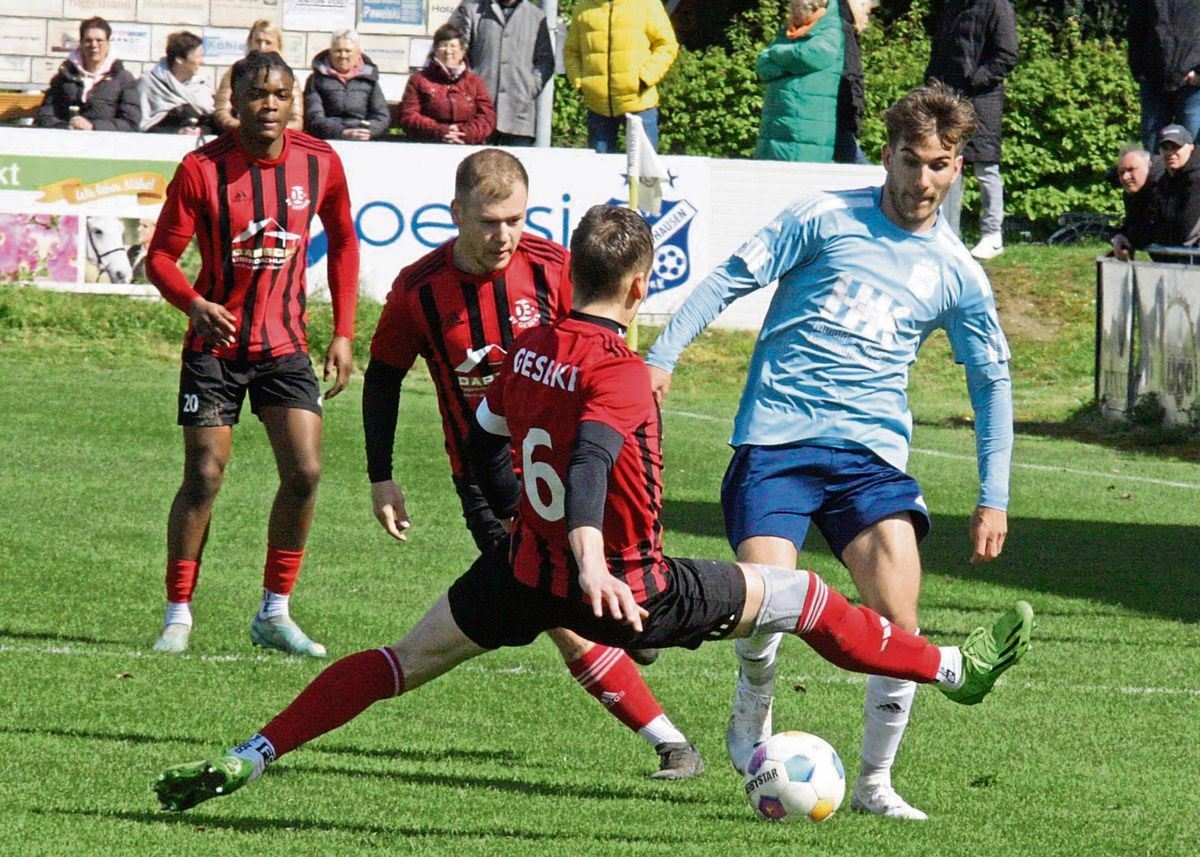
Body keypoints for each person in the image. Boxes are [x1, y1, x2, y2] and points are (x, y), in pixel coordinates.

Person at [152, 204, 1033, 813]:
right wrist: (590, 554)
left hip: (522, 570)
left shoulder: (531, 344)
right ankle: (953, 668)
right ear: (643, 283)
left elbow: (493, 427)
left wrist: (526, 535)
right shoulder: (620, 371)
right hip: (625, 582)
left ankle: (251, 754)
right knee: (800, 597)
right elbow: (593, 460)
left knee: (395, 660)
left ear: (570, 268)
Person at [644, 84, 1016, 821]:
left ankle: (876, 783)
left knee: (898, 621)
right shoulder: (822, 216)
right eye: (910, 161)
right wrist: (663, 353)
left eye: (940, 165)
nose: (922, 181)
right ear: (887, 154)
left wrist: (993, 492)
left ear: (959, 167)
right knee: (767, 606)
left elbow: (991, 382)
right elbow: (727, 278)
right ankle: (755, 693)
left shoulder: (956, 271)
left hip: (868, 458)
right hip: (776, 442)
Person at [363, 148, 701, 779]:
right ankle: (668, 739)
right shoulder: (419, 289)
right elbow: (382, 378)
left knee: (572, 596)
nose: (504, 235)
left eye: (516, 219)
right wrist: (381, 474)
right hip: (485, 478)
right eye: (489, 221)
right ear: (457, 212)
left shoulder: (555, 269)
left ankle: (633, 643)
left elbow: (600, 347)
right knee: (553, 606)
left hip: (574, 469)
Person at [145, 50, 359, 656]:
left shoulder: (321, 163)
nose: (269, 104)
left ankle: (274, 612)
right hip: (214, 348)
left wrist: (344, 330)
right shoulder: (201, 168)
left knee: (306, 471)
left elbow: (343, 240)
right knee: (205, 474)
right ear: (233, 100)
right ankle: (179, 613)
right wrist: (193, 304)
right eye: (258, 94)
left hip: (285, 346)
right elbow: (159, 258)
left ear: (294, 101)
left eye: (281, 94)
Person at [925, 0, 1018, 260]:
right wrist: (932, 81)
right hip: (949, 95)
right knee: (949, 162)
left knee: (985, 166)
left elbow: (1007, 54)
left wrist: (977, 77)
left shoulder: (997, 6)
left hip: (982, 97)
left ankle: (992, 234)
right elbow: (941, 48)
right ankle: (947, 230)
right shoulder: (952, 6)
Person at [564, 0, 678, 153]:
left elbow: (667, 45)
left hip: (640, 103)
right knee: (601, 172)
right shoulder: (583, 8)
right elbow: (571, 52)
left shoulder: (647, 4)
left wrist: (644, 79)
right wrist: (581, 84)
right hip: (598, 107)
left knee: (645, 171)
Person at [449, 0, 554, 146]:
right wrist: (468, 88)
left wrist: (529, 87)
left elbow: (545, 61)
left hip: (518, 114)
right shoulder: (472, 10)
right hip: (477, 114)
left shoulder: (536, 15)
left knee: (516, 167)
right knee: (476, 166)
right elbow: (455, 53)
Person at [754, 0, 844, 163]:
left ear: (815, 7)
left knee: (800, 178)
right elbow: (763, 65)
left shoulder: (830, 32)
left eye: (799, 7)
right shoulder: (788, 31)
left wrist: (776, 55)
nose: (793, 12)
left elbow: (807, 54)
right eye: (792, 7)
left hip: (804, 126)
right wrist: (786, 65)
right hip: (775, 124)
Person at [36, 16, 141, 132]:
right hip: (66, 143)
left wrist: (93, 127)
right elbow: (45, 115)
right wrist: (66, 128)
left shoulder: (123, 79)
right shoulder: (64, 77)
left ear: (108, 44)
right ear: (81, 44)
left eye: (99, 40)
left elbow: (130, 123)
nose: (94, 45)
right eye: (88, 40)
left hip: (106, 144)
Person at [397, 23, 495, 145]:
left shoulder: (475, 82)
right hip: (429, 144)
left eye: (453, 46)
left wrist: (463, 133)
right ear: (435, 50)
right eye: (443, 46)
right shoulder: (418, 80)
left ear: (462, 51)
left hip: (467, 145)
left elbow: (487, 118)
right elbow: (409, 116)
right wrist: (442, 131)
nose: (448, 51)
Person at [1127, 0, 1200, 153]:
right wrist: (1139, 70)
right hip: (1154, 80)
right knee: (1153, 151)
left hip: (1192, 84)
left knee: (1191, 149)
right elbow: (1136, 27)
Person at [212, 20, 304, 133]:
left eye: (268, 42)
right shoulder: (235, 73)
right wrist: (248, 128)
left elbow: (297, 121)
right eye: (258, 41)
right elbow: (221, 113)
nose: (262, 47)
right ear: (250, 42)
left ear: (278, 45)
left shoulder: (288, 77)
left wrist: (271, 131)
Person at [304, 30, 390, 141]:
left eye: (348, 51)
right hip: (327, 139)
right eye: (338, 51)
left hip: (362, 138)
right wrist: (342, 132)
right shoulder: (315, 80)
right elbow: (314, 117)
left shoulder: (369, 79)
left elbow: (381, 116)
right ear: (330, 52)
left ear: (358, 54)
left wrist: (367, 131)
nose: (343, 56)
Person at [138, 31, 214, 135]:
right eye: (198, 57)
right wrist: (177, 132)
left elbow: (212, 123)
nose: (202, 62)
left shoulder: (202, 87)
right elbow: (142, 124)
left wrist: (201, 131)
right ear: (179, 59)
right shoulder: (149, 83)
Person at [834, 0, 875, 165]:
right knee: (865, 174)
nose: (868, 19)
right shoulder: (842, 29)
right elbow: (850, 78)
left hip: (836, 121)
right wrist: (854, 120)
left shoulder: (836, 26)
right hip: (839, 122)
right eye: (867, 11)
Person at [1110, 145, 1162, 261]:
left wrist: (1126, 238)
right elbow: (1132, 223)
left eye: (1131, 170)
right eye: (1121, 172)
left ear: (1149, 166)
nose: (1125, 177)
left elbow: (1153, 228)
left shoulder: (1163, 186)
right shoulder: (1131, 193)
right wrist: (1119, 237)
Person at [126, 217, 156, 283]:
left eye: (145, 226)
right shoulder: (132, 250)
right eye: (140, 225)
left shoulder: (160, 256)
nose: (139, 229)